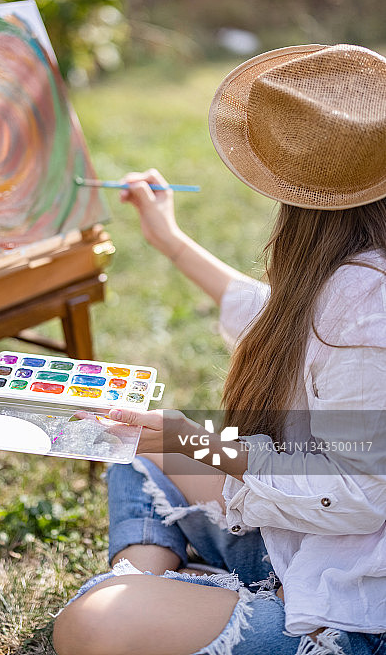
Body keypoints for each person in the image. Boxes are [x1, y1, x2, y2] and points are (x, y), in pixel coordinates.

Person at [52, 44, 386, 655]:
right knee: (139, 447)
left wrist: (192, 441)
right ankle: (160, 592)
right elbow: (276, 318)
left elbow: (361, 496)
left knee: (91, 625)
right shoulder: (353, 268)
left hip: (355, 603)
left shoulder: (366, 303)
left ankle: (160, 595)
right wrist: (171, 240)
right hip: (308, 541)